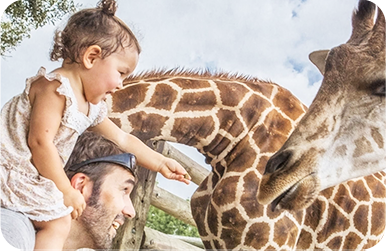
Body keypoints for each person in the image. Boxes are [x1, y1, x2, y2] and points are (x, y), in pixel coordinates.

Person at [0, 1, 190, 251]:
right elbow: (39, 143)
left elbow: (122, 139)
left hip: (31, 174)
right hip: (12, 168)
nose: (122, 84)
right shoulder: (55, 89)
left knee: (60, 220)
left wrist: (160, 162)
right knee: (58, 221)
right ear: (92, 57)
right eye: (121, 73)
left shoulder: (90, 108)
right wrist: (65, 190)